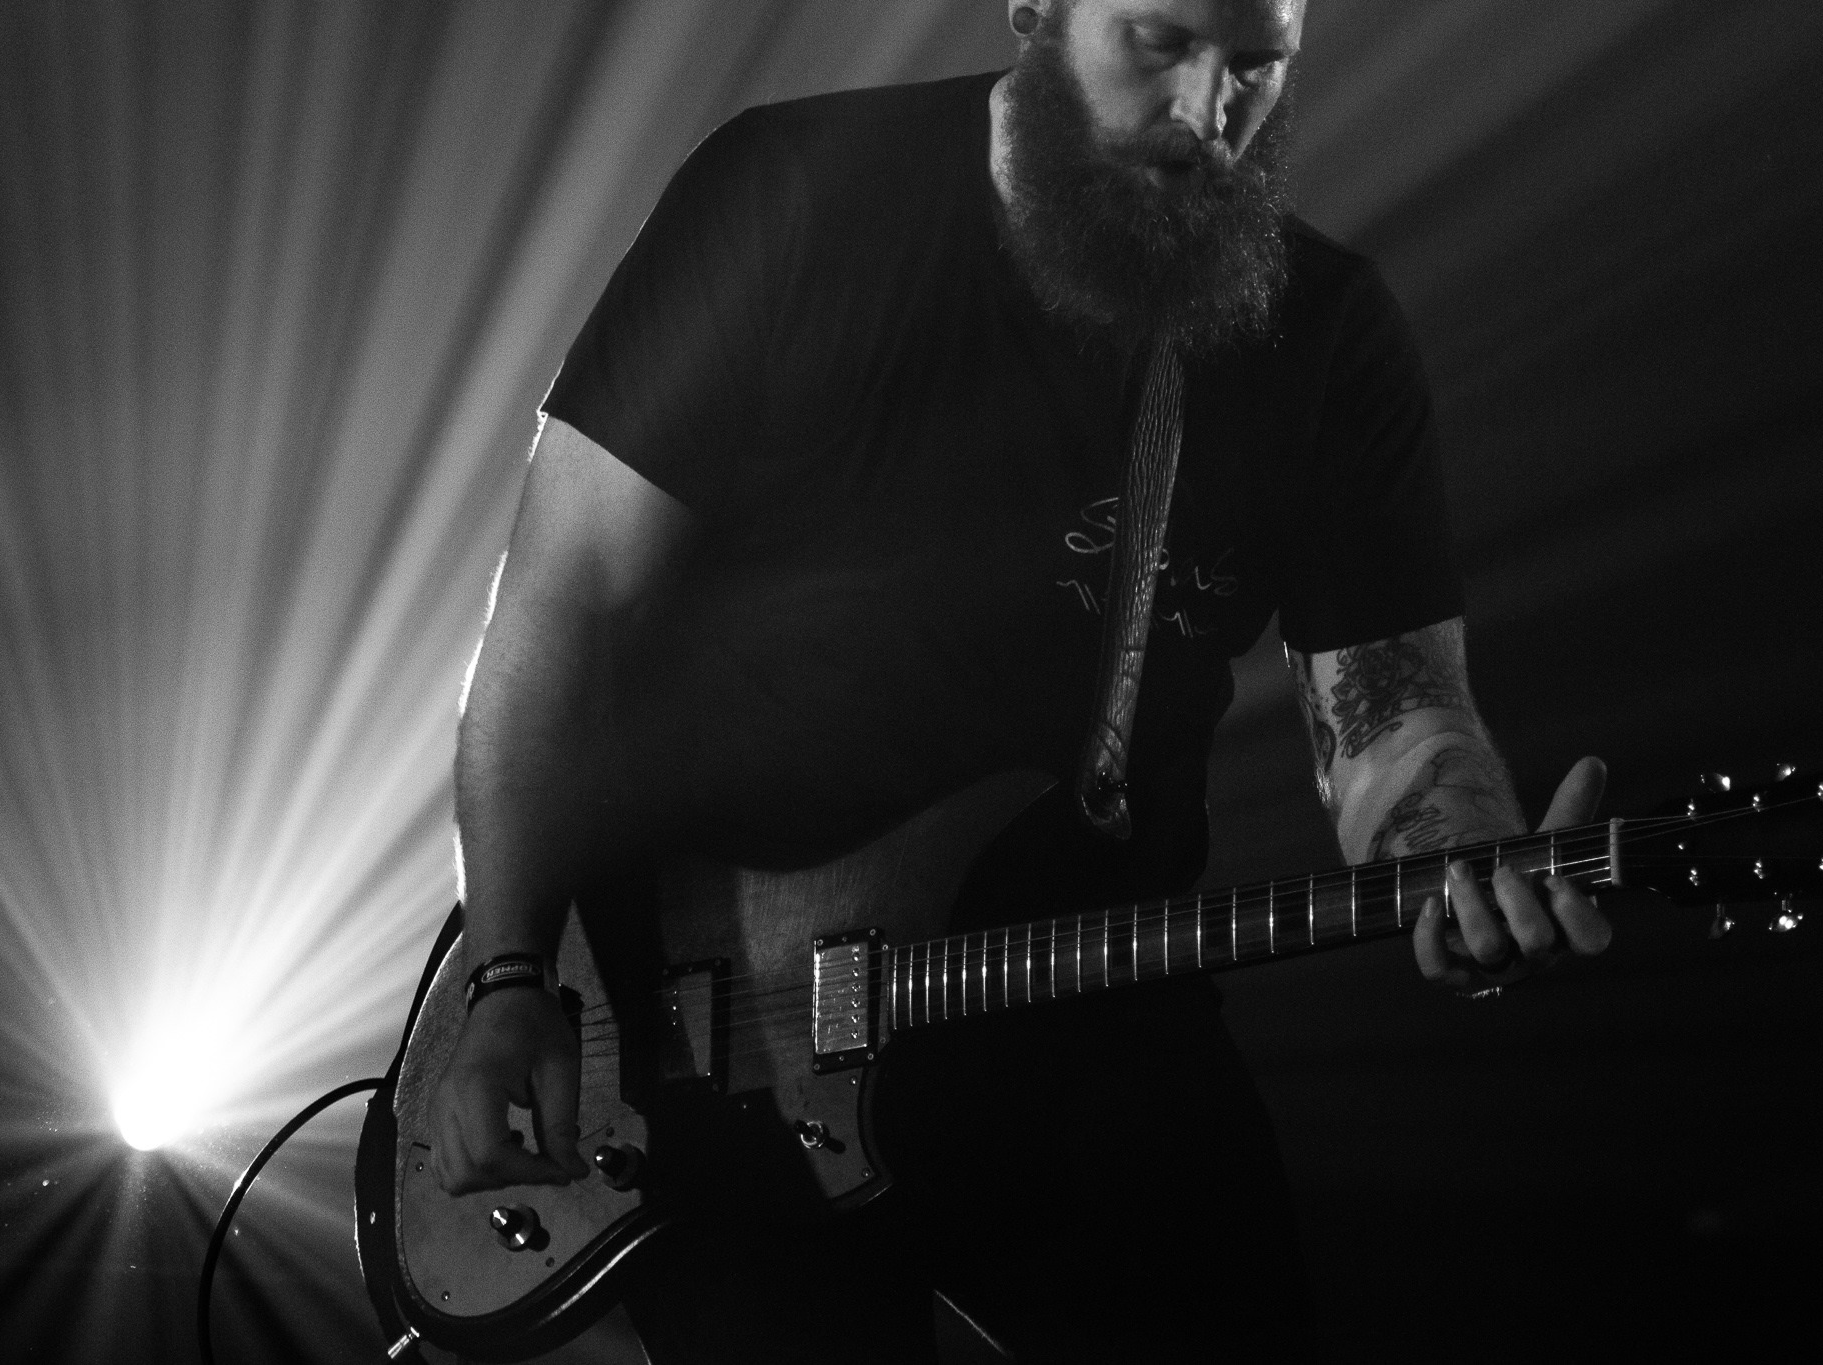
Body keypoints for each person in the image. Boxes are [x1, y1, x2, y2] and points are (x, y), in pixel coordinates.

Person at [431, 0, 1613, 1358]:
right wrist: (511, 973)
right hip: (716, 1040)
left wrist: (1462, 854)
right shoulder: (794, 196)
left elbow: (1397, 720)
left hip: (1092, 1011)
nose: (1206, 116)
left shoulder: (1324, 334)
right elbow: (564, 612)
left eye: (1256, 68)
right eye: (1160, 41)